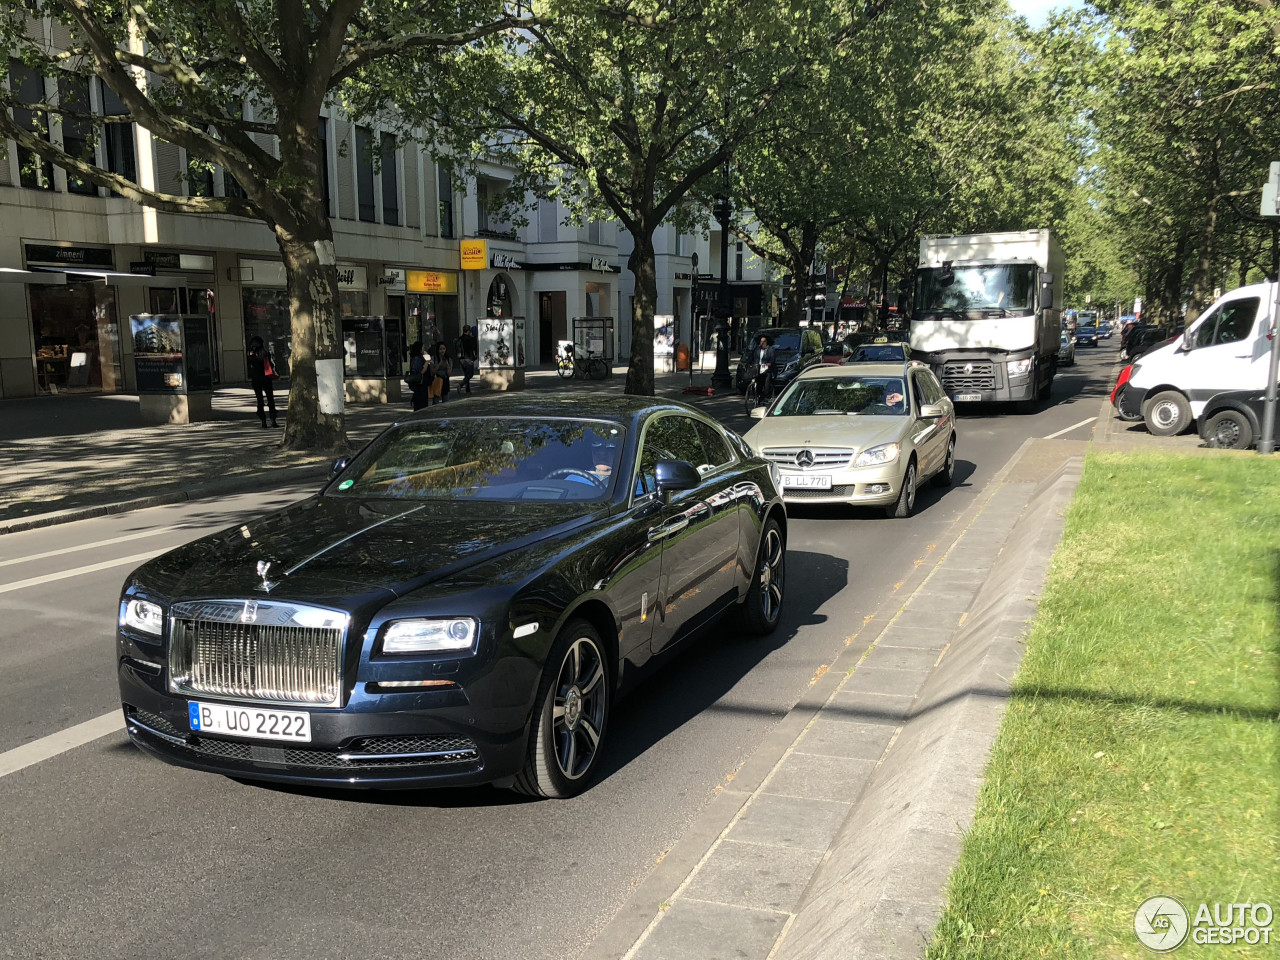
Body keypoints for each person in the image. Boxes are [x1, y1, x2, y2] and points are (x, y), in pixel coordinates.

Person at [246, 336, 278, 428]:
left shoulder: (250, 353)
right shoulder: (265, 352)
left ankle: (263, 420)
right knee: (270, 399)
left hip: (256, 379)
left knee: (260, 399)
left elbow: (250, 364)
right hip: (266, 378)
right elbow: (271, 364)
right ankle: (273, 419)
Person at [406, 341, 429, 412]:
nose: (423, 350)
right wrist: (426, 364)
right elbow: (419, 372)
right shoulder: (417, 359)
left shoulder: (419, 358)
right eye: (422, 348)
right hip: (419, 385)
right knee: (421, 406)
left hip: (422, 385)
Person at [456, 324, 478, 394]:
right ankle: (461, 384)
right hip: (468, 358)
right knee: (470, 374)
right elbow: (473, 347)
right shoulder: (470, 339)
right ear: (468, 331)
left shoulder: (460, 339)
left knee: (466, 374)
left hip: (461, 359)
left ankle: (467, 389)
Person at [754, 335, 775, 403]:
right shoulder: (757, 349)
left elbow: (772, 359)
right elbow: (752, 357)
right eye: (761, 341)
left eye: (764, 341)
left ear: (767, 342)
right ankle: (758, 395)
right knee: (758, 382)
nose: (762, 343)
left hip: (767, 370)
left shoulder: (770, 350)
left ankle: (765, 396)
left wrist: (769, 363)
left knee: (767, 383)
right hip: (758, 369)